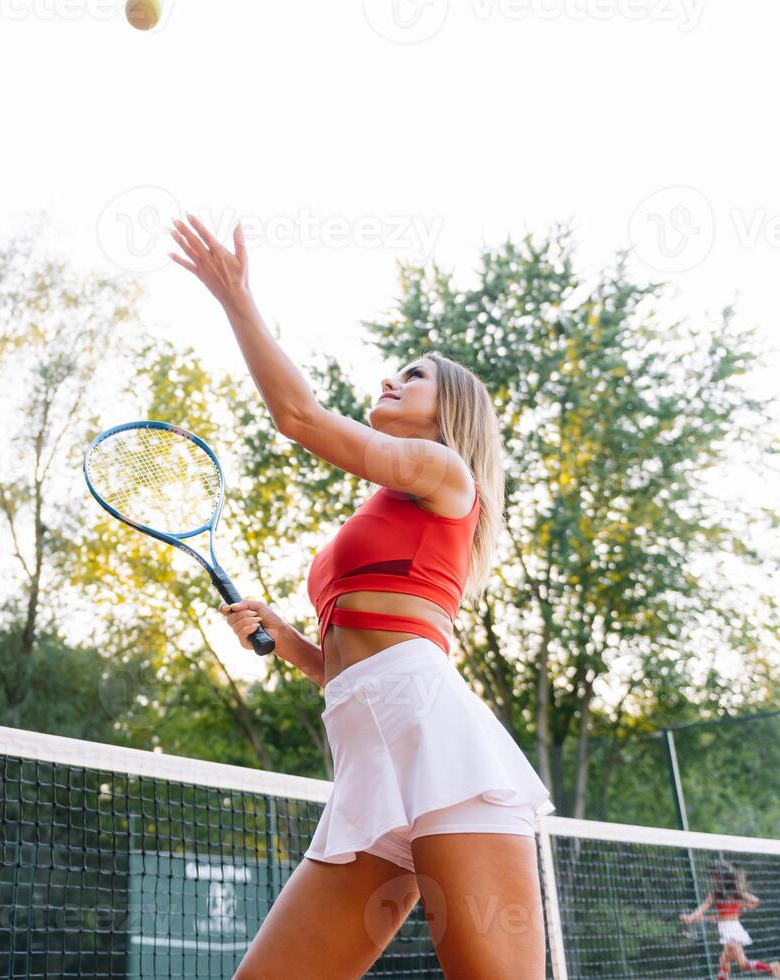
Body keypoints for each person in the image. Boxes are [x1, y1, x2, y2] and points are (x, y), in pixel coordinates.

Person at [169, 215, 554, 980]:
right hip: (365, 758)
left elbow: (299, 417)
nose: (392, 379)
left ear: (452, 415)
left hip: (436, 744)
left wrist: (236, 299)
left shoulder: (448, 474)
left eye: (414, 375)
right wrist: (291, 641)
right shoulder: (382, 513)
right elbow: (349, 669)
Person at [680, 861, 780, 979]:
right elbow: (703, 910)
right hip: (729, 929)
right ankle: (772, 967)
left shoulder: (734, 893)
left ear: (720, 877)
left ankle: (772, 967)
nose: (711, 879)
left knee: (742, 964)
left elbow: (755, 901)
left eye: (713, 876)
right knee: (724, 961)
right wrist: (692, 917)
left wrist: (743, 907)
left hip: (732, 932)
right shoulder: (718, 894)